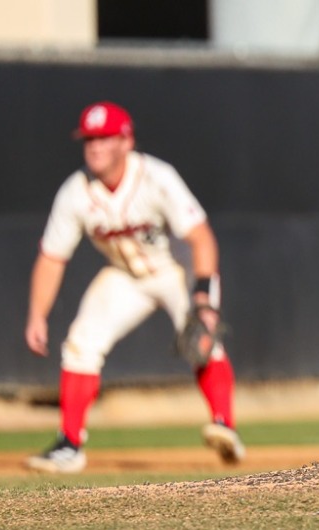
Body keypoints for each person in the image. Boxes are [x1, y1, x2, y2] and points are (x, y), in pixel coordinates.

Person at [22, 101, 243, 471]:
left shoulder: (156, 177)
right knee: (81, 343)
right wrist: (37, 315)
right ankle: (69, 445)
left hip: (176, 269)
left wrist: (203, 297)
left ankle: (225, 425)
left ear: (126, 141)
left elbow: (201, 237)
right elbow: (52, 257)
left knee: (203, 341)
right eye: (89, 138)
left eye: (105, 138)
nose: (94, 146)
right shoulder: (75, 192)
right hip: (126, 275)